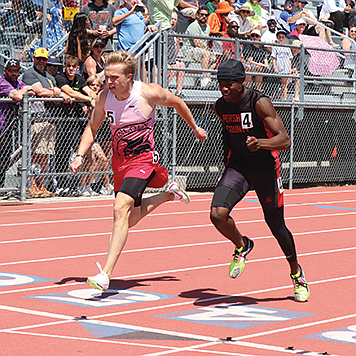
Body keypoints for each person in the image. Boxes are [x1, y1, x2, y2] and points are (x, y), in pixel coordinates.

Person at [69, 50, 207, 290]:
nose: (108, 82)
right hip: (119, 162)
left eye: (114, 78)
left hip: (143, 160)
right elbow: (92, 128)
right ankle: (169, 194)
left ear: (129, 77)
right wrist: (79, 155)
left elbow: (178, 102)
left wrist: (195, 128)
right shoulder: (104, 98)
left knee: (119, 209)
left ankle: (106, 274)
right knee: (128, 218)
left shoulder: (147, 92)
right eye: (106, 76)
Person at [211, 58, 310, 303]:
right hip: (239, 168)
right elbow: (226, 134)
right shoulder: (220, 106)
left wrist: (261, 143)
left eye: (229, 85)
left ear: (242, 82)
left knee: (275, 225)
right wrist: (227, 161)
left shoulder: (259, 103)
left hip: (266, 168)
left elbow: (285, 140)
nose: (224, 89)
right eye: (220, 84)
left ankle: (297, 274)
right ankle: (242, 245)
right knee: (217, 214)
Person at [22, 47, 71, 198]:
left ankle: (40, 185)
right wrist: (59, 93)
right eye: (39, 59)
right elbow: (40, 92)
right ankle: (32, 185)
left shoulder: (49, 77)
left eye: (44, 59)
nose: (42, 62)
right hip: (37, 119)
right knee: (34, 154)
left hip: (50, 120)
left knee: (45, 155)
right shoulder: (30, 73)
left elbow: (55, 101)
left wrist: (57, 95)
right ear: (33, 59)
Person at [55, 55, 97, 196]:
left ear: (78, 68)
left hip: (77, 122)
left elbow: (89, 90)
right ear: (65, 67)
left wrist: (97, 98)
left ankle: (80, 185)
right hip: (62, 121)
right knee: (62, 153)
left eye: (74, 67)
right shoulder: (60, 77)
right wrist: (89, 99)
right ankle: (59, 185)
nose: (71, 69)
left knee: (81, 153)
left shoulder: (79, 79)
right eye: (69, 66)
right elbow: (71, 92)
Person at [0, 59, 34, 197]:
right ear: (5, 70)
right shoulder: (2, 82)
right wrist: (25, 90)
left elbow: (33, 90)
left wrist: (25, 90)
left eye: (16, 70)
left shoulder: (17, 83)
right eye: (11, 70)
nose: (14, 73)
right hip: (1, 125)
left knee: (5, 158)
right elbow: (19, 95)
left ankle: (1, 187)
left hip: (8, 127)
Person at [82, 75, 114, 196]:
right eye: (92, 85)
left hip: (104, 129)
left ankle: (100, 184)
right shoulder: (86, 98)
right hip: (88, 132)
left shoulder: (102, 98)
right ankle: (84, 185)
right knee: (95, 159)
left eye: (97, 85)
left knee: (104, 159)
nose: (95, 87)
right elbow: (88, 113)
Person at [183, 6, 216, 88]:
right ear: (197, 15)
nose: (204, 16)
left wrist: (209, 53)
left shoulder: (207, 27)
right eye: (202, 14)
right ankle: (204, 79)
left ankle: (206, 78)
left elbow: (206, 43)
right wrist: (207, 52)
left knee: (215, 59)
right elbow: (197, 43)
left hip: (202, 51)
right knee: (207, 54)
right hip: (189, 50)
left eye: (206, 15)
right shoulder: (194, 25)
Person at [167, 10, 186, 97]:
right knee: (175, 65)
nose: (173, 21)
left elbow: (175, 53)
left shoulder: (174, 34)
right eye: (172, 19)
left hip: (171, 60)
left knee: (182, 64)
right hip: (162, 60)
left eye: (175, 19)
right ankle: (165, 87)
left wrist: (177, 44)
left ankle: (179, 92)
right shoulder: (165, 32)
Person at [272, 29, 292, 100]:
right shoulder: (275, 47)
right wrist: (275, 68)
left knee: (284, 84)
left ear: (285, 38)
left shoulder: (287, 48)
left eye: (282, 37)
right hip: (279, 67)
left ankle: (285, 98)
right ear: (277, 38)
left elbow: (290, 59)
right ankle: (276, 96)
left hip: (285, 68)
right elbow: (273, 58)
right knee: (277, 84)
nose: (281, 38)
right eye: (279, 37)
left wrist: (290, 68)